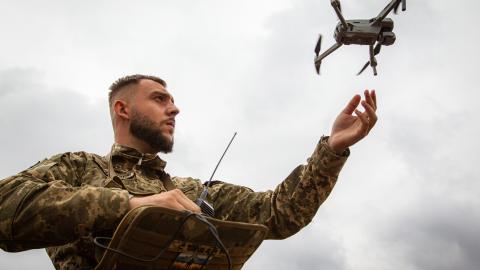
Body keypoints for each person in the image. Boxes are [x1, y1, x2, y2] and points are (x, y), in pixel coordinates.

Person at [0, 74, 378, 269]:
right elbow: (5, 207)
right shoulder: (80, 168)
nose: (175, 109)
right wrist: (131, 206)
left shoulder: (192, 192)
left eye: (174, 101)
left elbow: (278, 213)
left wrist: (331, 151)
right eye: (160, 99)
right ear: (123, 109)